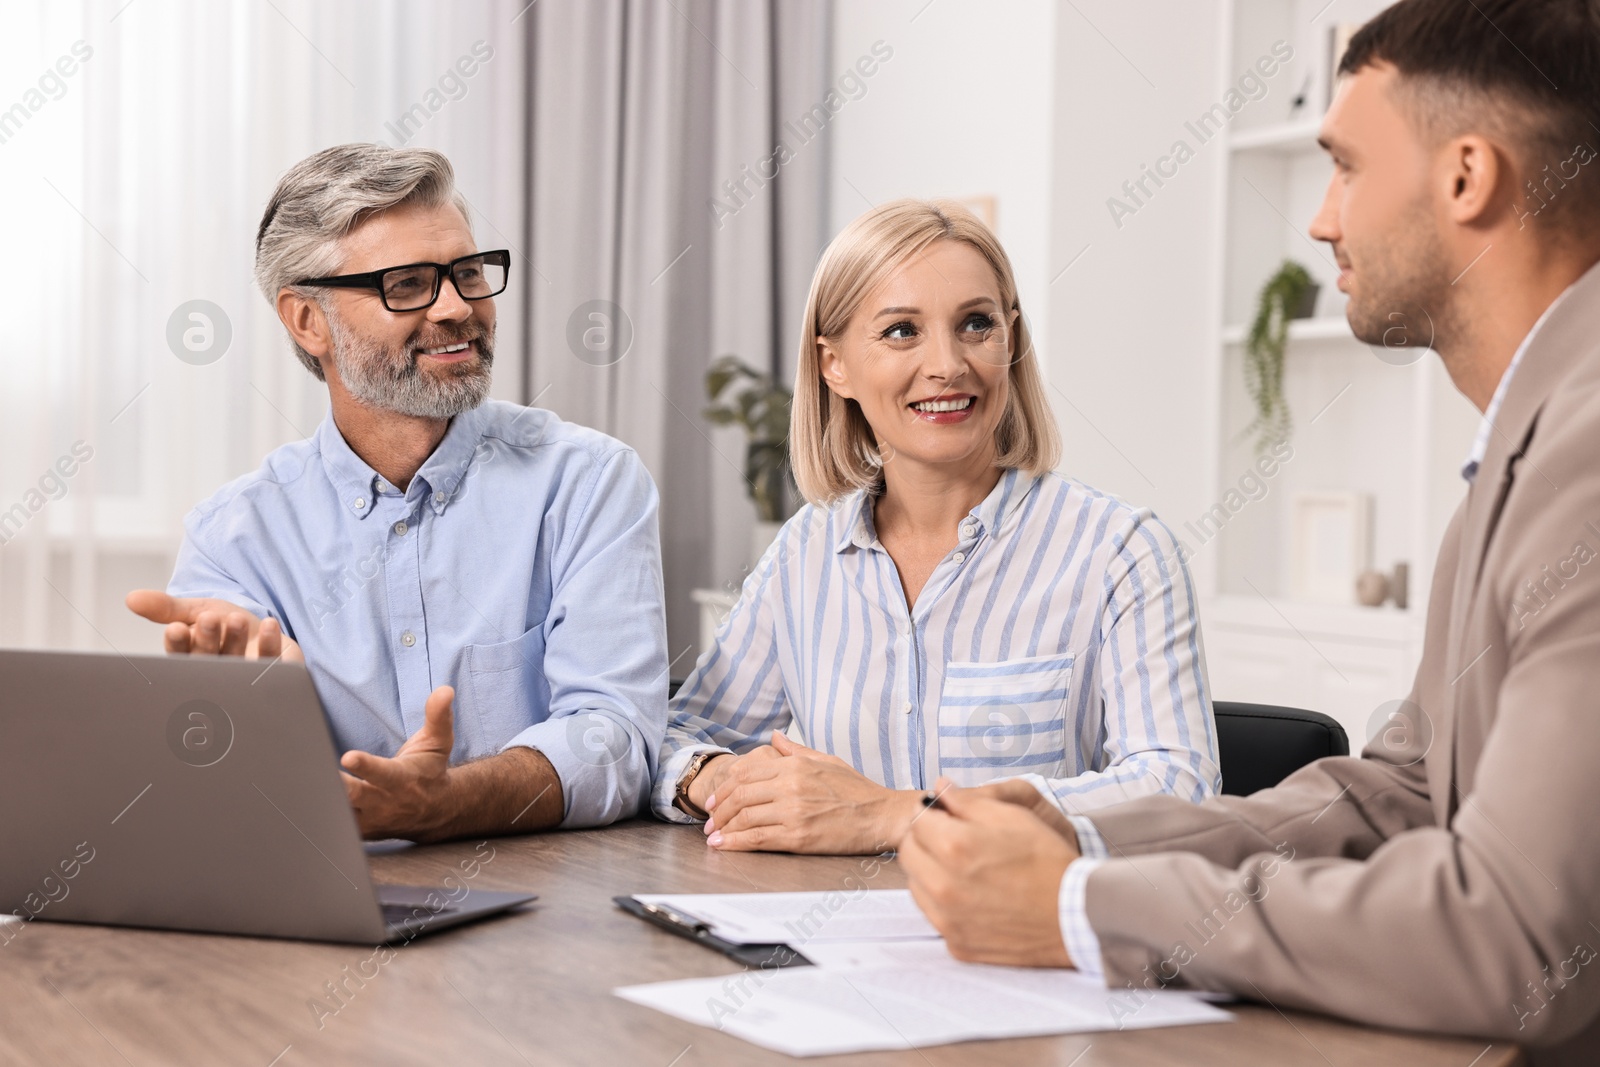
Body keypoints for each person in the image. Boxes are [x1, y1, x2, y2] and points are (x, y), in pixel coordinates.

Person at [899, 1, 1600, 1061]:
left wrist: (1083, 907)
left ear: (1466, 177)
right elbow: (1405, 791)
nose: (1321, 220)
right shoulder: (1518, 456)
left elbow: (1515, 936)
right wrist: (1079, 837)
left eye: (1347, 167)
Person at [126, 144, 667, 842]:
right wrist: (233, 711)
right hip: (331, 902)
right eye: (408, 284)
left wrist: (449, 802)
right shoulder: (235, 536)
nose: (456, 307)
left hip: (550, 909)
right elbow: (216, 795)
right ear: (306, 320)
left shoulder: (588, 482)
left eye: (468, 273)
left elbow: (619, 736)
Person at [651, 199, 1221, 853]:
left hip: (1031, 937)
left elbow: (1182, 788)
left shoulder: (1120, 551)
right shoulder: (805, 553)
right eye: (902, 331)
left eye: (976, 324)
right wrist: (716, 774)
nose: (949, 363)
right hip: (832, 935)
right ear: (835, 364)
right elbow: (676, 735)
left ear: (1010, 338)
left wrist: (898, 815)